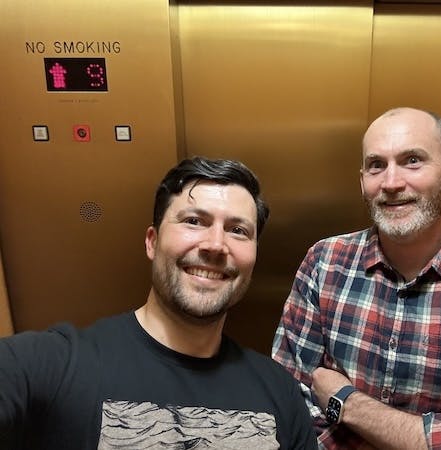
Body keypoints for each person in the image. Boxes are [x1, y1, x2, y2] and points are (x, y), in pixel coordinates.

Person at [272, 107, 441, 449]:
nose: (391, 182)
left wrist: (346, 402)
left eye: (412, 160)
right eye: (376, 165)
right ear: (362, 181)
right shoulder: (325, 261)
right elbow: (285, 410)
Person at [0, 156, 318, 450]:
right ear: (152, 242)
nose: (216, 245)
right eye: (194, 221)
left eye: (237, 230)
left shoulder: (281, 394)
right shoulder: (53, 366)